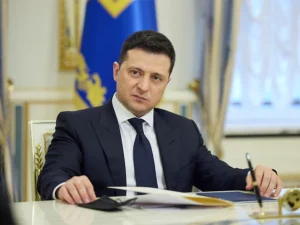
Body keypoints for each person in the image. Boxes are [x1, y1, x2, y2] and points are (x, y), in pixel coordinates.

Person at [37, 30, 282, 204]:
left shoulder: (182, 129)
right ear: (116, 71)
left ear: (166, 83)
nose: (144, 86)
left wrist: (254, 176)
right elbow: (52, 176)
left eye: (156, 78)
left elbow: (219, 177)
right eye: (135, 73)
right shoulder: (78, 124)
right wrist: (65, 187)